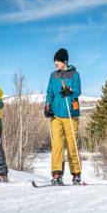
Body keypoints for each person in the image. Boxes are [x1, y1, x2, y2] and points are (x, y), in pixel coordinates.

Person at [44, 48, 82, 185]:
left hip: (71, 115)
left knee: (72, 145)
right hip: (56, 115)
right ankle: (56, 174)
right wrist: (47, 106)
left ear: (64, 61)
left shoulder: (74, 75)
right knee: (57, 145)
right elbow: (49, 92)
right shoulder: (53, 75)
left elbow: (77, 90)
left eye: (57, 61)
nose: (55, 63)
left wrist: (70, 91)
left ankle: (76, 174)